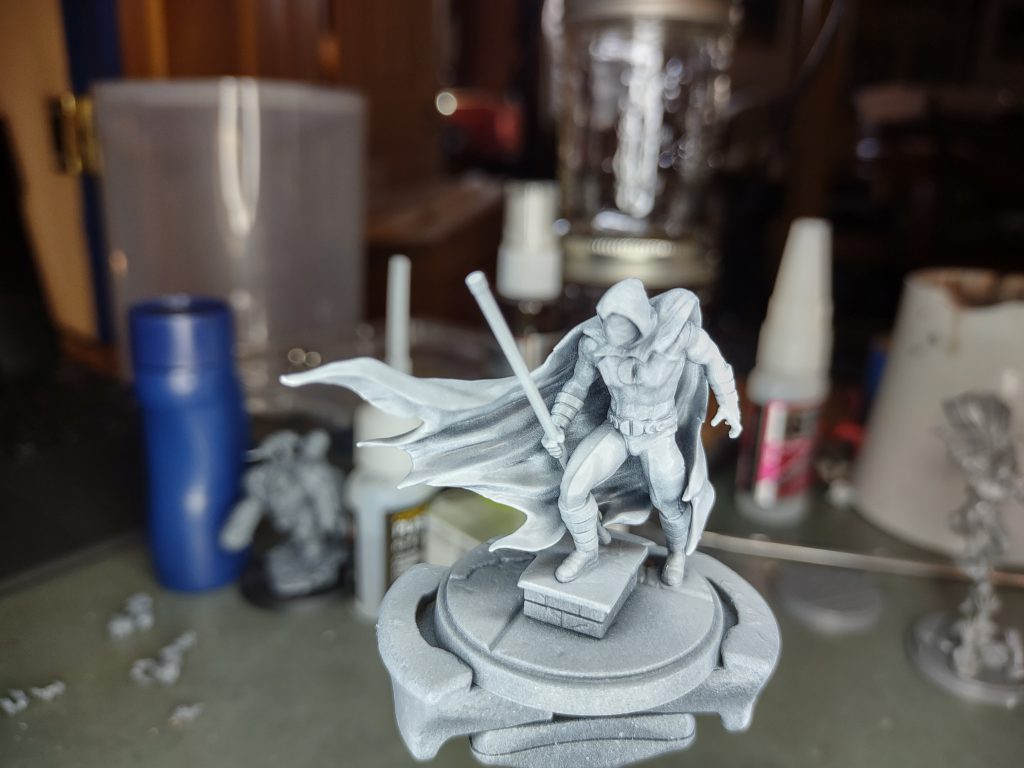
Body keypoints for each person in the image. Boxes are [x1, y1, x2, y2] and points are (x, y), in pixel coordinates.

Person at [541, 279, 741, 584]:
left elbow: (714, 361)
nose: (615, 340)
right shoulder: (595, 343)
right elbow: (576, 387)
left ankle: (676, 555)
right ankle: (586, 551)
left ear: (641, 324)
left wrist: (729, 403)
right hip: (617, 429)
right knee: (571, 492)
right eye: (609, 328)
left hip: (659, 434)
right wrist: (557, 422)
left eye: (623, 332)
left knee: (670, 503)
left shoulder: (678, 337)